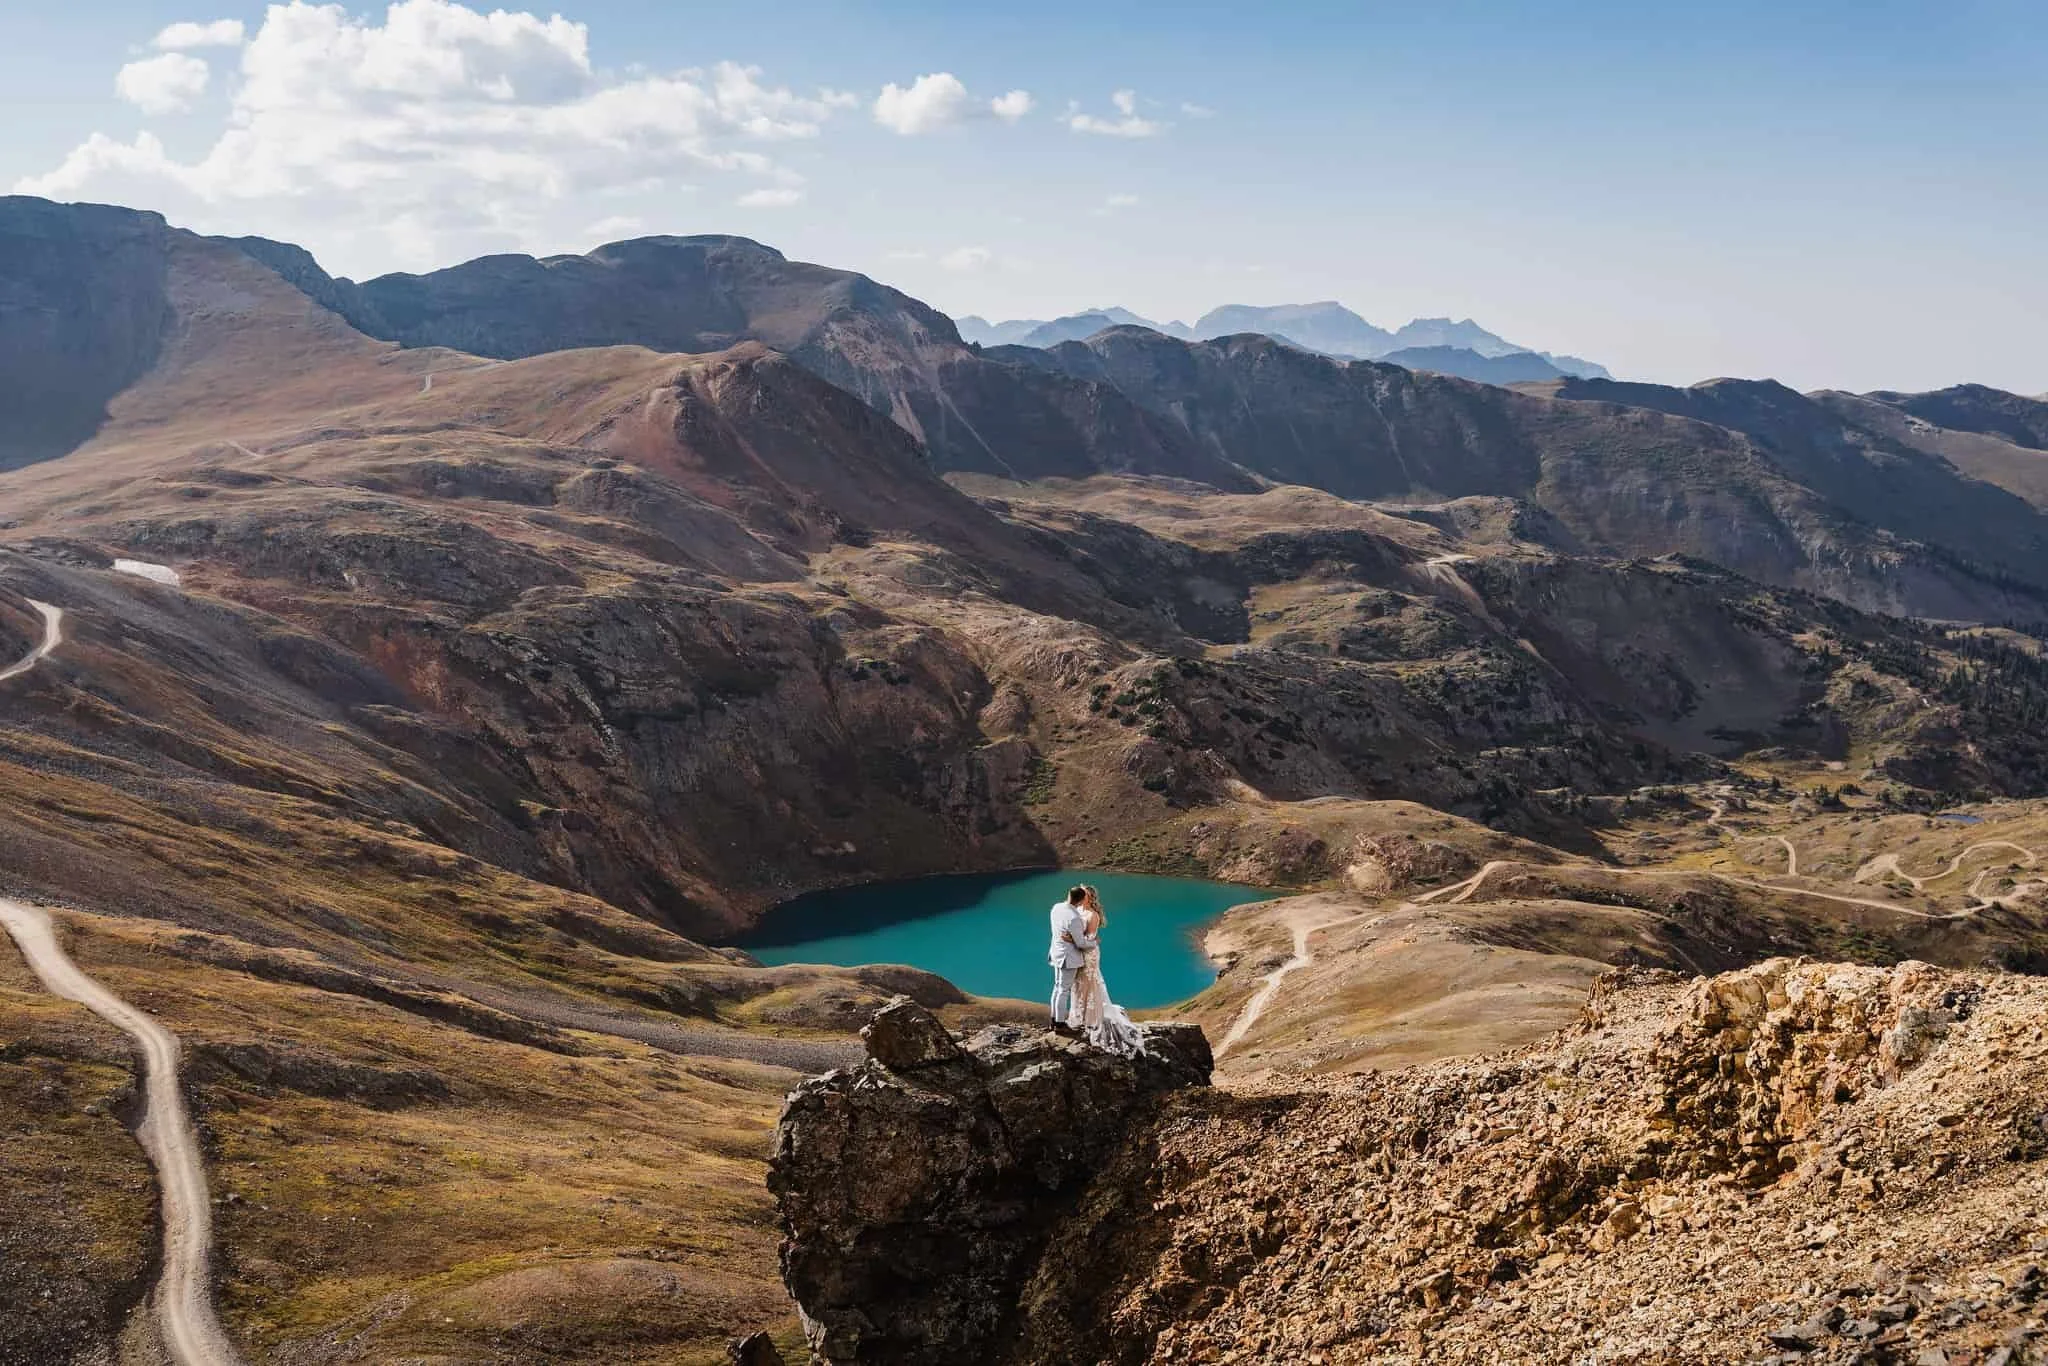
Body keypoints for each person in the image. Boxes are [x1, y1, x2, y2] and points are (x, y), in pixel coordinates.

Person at [1066, 885, 1147, 1056]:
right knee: (1078, 984)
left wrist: (1071, 939)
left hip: (1089, 954)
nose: (1081, 895)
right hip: (1079, 952)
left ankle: (1092, 1019)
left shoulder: (1093, 915)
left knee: (1089, 983)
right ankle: (1079, 1016)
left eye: (1084, 894)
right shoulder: (1077, 910)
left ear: (1089, 897)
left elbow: (1090, 938)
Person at [1048, 885, 1095, 1035]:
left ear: (1068, 894)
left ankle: (1053, 1020)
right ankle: (1060, 1024)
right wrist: (1094, 943)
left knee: (1057, 987)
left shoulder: (1056, 907)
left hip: (1056, 952)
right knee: (1064, 990)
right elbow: (1080, 943)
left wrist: (1070, 938)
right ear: (1080, 901)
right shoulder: (1075, 918)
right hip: (1068, 958)